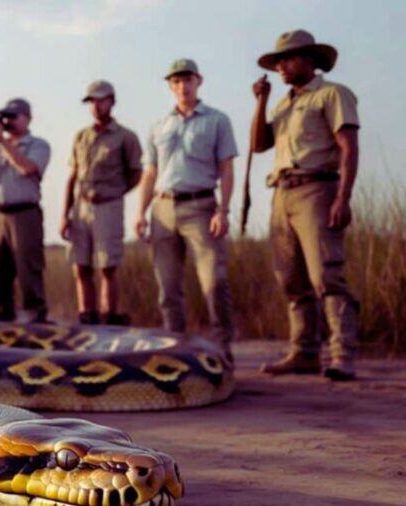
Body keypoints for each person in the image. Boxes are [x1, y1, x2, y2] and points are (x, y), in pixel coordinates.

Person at [251, 30, 360, 381]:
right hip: (282, 193)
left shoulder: (332, 94)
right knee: (290, 278)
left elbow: (348, 147)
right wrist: (261, 102)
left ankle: (342, 355)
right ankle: (304, 352)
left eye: (288, 58)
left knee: (326, 276)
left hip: (317, 190)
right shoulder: (283, 104)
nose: (281, 66)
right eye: (278, 61)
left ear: (310, 60)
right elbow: (258, 145)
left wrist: (343, 197)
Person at [133, 59, 238, 363]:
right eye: (176, 82)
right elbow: (150, 172)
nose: (182, 87)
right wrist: (141, 212)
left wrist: (223, 209)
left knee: (214, 281)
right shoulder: (159, 125)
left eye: (187, 80)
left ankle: (222, 348)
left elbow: (226, 167)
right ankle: (175, 348)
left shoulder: (217, 120)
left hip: (201, 205)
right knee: (168, 287)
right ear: (170, 86)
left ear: (199, 81)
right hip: (163, 207)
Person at [60, 80, 143, 325]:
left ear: (112, 101)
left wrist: (114, 193)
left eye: (101, 100)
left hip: (108, 204)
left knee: (107, 265)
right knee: (80, 265)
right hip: (80, 205)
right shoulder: (81, 136)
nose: (96, 106)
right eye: (91, 102)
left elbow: (136, 174)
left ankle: (109, 316)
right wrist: (65, 214)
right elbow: (72, 176)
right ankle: (87, 315)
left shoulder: (125, 137)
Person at [0, 98, 51, 323]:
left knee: (28, 266)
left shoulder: (38, 145)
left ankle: (35, 311)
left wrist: (3, 143)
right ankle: (2, 310)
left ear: (28, 118)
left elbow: (27, 168)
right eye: (6, 118)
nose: (8, 122)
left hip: (24, 213)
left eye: (14, 117)